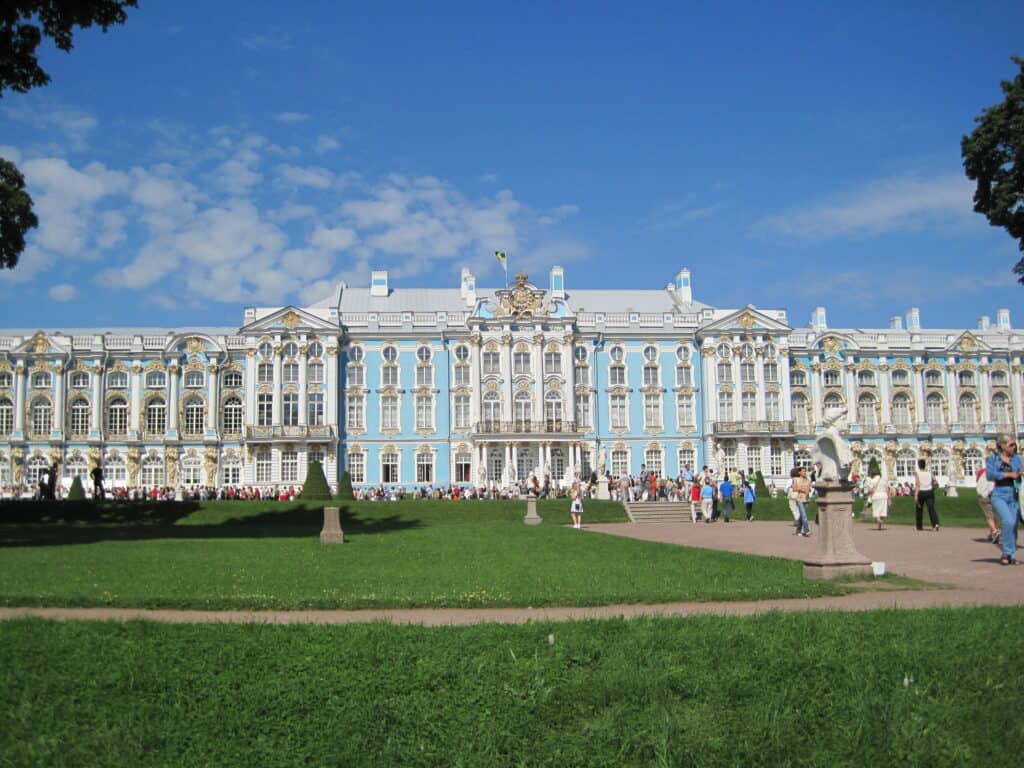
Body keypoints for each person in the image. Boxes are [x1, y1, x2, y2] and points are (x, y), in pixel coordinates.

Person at [986, 434, 1021, 566]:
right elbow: (990, 475)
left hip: (1014, 494)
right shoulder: (993, 459)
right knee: (1008, 521)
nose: (1014, 447)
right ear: (1002, 445)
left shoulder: (1017, 459)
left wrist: (1019, 472)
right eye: (1011, 445)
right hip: (999, 494)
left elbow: (1019, 474)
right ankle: (1006, 552)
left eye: (1014, 444)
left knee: (1014, 526)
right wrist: (1007, 474)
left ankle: (1011, 556)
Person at [974, 464, 1000, 544]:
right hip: (995, 494)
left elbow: (978, 481)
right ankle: (992, 532)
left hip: (984, 494)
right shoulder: (997, 471)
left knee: (988, 515)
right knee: (994, 514)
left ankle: (995, 531)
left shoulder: (981, 471)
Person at [914, 458, 939, 532]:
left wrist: (915, 495)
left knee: (919, 509)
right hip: (930, 492)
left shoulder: (917, 473)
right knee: (931, 508)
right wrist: (933, 488)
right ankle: (935, 524)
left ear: (919, 466)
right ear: (924, 465)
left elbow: (917, 484)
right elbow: (936, 482)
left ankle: (919, 526)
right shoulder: (929, 473)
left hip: (921, 492)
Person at [865, 465, 889, 530]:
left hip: (876, 496)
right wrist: (889, 499)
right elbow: (887, 490)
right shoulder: (884, 480)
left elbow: (870, 490)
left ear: (873, 474)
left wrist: (867, 494)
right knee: (883, 511)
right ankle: (880, 525)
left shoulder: (872, 481)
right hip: (884, 496)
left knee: (876, 510)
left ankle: (879, 520)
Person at [790, 466, 811, 536]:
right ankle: (806, 530)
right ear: (799, 472)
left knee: (802, 516)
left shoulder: (808, 480)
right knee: (804, 516)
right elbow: (794, 489)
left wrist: (808, 491)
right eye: (803, 471)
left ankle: (798, 531)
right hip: (799, 499)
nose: (804, 472)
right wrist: (801, 490)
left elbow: (809, 488)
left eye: (805, 471)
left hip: (806, 499)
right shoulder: (796, 479)